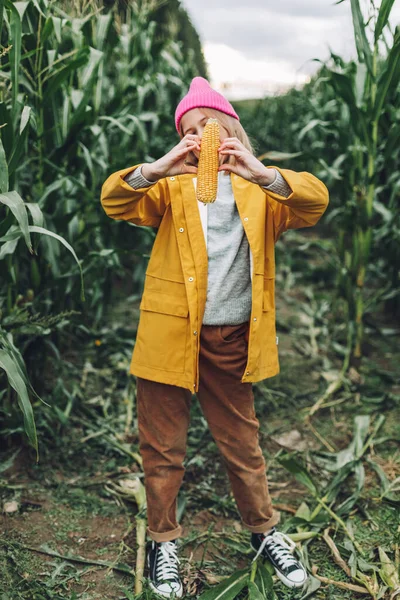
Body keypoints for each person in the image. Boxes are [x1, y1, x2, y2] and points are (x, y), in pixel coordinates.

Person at [100, 76, 329, 598]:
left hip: (230, 338)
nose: (200, 136)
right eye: (188, 130)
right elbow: (114, 201)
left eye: (207, 124)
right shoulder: (171, 187)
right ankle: (163, 542)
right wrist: (158, 167)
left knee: (242, 444)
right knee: (162, 448)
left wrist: (263, 172)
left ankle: (264, 533)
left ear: (230, 124)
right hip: (169, 334)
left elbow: (315, 202)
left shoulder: (261, 190)